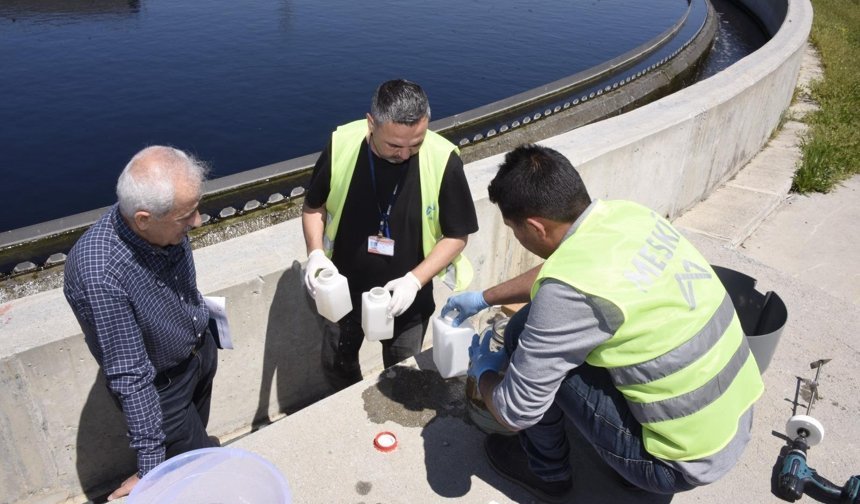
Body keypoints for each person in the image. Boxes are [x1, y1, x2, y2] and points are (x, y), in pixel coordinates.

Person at [442, 144, 764, 502]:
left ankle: (547, 473)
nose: (518, 238)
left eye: (515, 230)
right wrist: (486, 297)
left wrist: (481, 371)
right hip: (735, 415)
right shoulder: (627, 216)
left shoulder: (569, 292)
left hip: (676, 463)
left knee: (526, 359)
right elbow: (559, 267)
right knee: (524, 329)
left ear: (535, 226)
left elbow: (516, 410)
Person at [63, 146, 219, 500]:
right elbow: (131, 377)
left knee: (194, 446)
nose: (197, 222)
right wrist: (151, 472)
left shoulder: (160, 224)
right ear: (144, 219)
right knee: (201, 474)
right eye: (186, 216)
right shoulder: (100, 274)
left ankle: (191, 452)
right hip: (164, 388)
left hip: (197, 354)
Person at [302, 79, 478, 389]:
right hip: (342, 293)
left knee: (403, 376)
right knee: (337, 366)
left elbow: (456, 235)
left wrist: (415, 280)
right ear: (372, 124)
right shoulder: (342, 145)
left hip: (406, 302)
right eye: (394, 145)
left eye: (416, 143)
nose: (405, 154)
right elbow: (313, 208)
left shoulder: (443, 159)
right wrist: (316, 253)